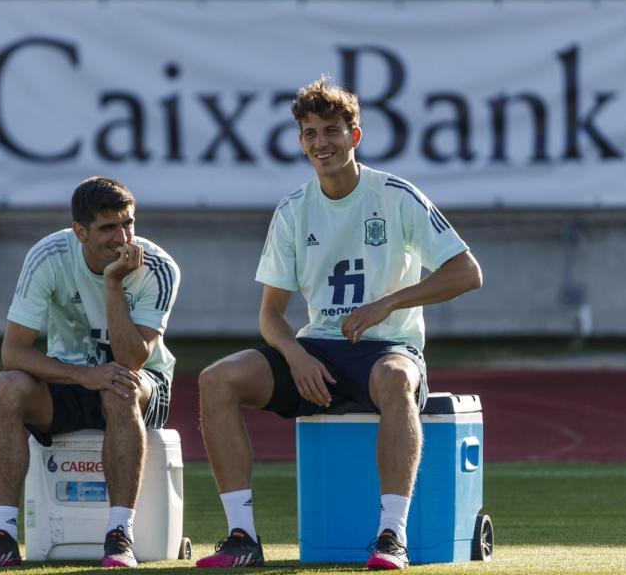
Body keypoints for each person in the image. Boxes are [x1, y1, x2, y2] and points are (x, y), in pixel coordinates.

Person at [195, 77, 482, 571]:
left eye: (331, 130)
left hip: (388, 349)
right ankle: (243, 537)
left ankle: (392, 536)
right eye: (309, 133)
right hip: (318, 352)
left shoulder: (395, 195)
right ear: (300, 140)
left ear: (356, 135)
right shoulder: (292, 210)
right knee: (215, 379)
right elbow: (270, 314)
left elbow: (467, 272)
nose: (320, 142)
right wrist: (296, 354)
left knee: (396, 380)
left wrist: (387, 303)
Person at [0, 176, 180, 569]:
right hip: (73, 380)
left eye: (128, 223)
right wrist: (82, 376)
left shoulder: (158, 267)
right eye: (108, 227)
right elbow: (13, 352)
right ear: (80, 231)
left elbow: (133, 359)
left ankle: (120, 535)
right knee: (7, 386)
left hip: (141, 383)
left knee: (120, 386)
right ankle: (3, 535)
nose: (123, 237)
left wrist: (113, 285)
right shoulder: (48, 256)